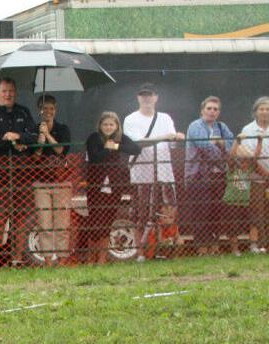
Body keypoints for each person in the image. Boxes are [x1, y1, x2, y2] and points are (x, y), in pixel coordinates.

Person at [0, 77, 38, 268]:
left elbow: (35, 136)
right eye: (4, 91)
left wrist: (19, 136)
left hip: (22, 174)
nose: (8, 94)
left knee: (20, 218)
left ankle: (17, 260)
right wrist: (5, 137)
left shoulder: (24, 112)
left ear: (16, 93)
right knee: (0, 217)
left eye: (11, 91)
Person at [124, 83, 184, 262]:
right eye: (143, 95)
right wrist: (164, 137)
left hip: (164, 172)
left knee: (168, 213)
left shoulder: (165, 118)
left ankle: (167, 250)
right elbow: (137, 143)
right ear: (138, 98)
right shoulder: (130, 119)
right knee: (143, 215)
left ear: (156, 97)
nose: (147, 98)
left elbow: (172, 142)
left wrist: (178, 138)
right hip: (142, 174)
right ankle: (143, 252)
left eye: (150, 95)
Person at [82, 112, 141, 265]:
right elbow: (95, 157)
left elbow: (136, 149)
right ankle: (91, 259)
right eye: (105, 124)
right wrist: (108, 148)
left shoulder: (121, 138)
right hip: (96, 185)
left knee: (107, 221)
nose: (108, 127)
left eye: (111, 124)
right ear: (100, 126)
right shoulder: (93, 138)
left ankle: (102, 259)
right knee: (94, 221)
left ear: (116, 126)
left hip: (114, 186)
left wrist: (115, 145)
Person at [183, 97, 235, 255]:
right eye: (209, 108)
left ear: (219, 112)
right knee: (201, 212)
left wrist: (220, 144)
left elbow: (231, 144)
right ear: (202, 110)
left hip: (218, 176)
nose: (212, 111)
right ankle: (202, 248)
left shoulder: (221, 126)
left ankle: (214, 246)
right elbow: (204, 146)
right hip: (198, 176)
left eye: (215, 109)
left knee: (216, 212)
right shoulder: (195, 126)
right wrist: (221, 147)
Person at [29, 95, 73, 266]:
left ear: (55, 110)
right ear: (39, 110)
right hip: (41, 183)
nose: (48, 112)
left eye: (51, 109)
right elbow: (34, 157)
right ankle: (48, 259)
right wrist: (39, 142)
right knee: (44, 223)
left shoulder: (63, 129)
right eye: (45, 108)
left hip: (61, 181)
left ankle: (62, 259)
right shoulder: (34, 129)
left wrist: (48, 135)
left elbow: (61, 150)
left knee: (62, 222)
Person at [237, 96, 269, 255]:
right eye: (261, 109)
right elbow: (248, 157)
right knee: (257, 212)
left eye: (268, 109)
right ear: (255, 112)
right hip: (256, 178)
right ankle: (256, 244)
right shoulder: (248, 130)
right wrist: (265, 175)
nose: (265, 112)